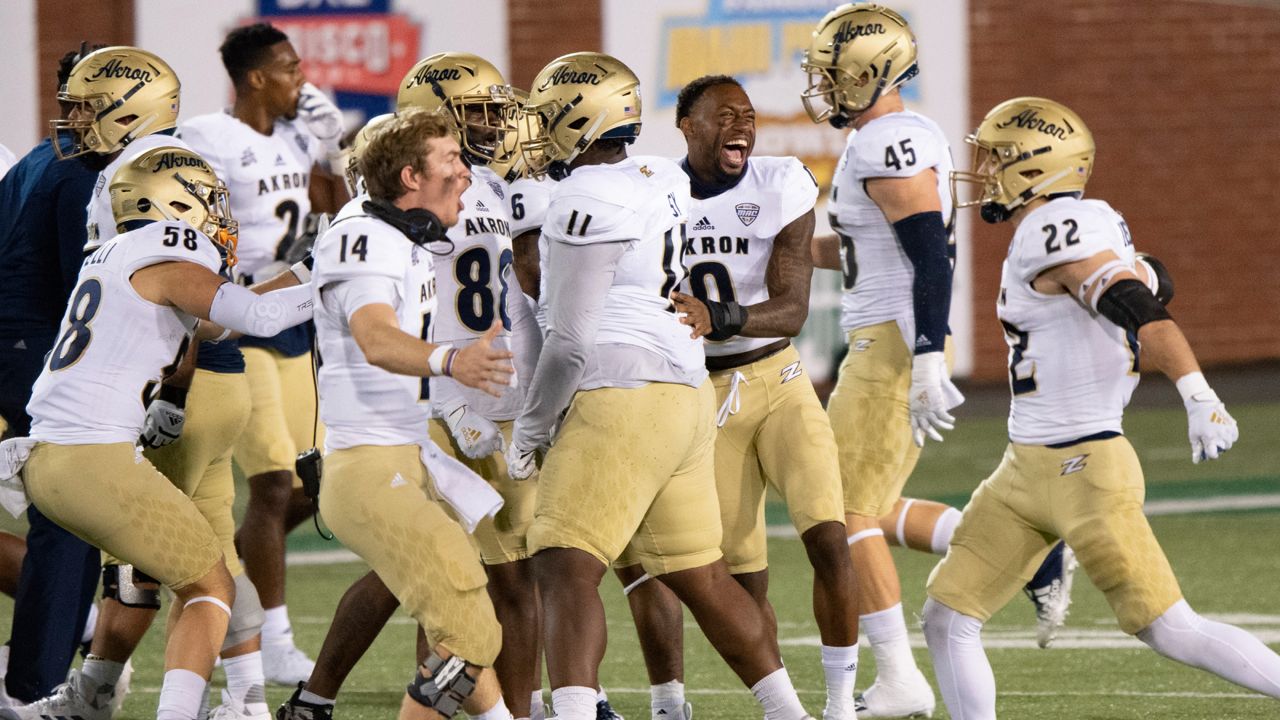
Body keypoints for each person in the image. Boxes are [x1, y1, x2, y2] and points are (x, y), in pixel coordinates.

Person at [922, 94, 1280, 718]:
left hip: (1086, 468)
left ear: (1037, 168)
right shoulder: (1079, 225)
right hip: (1022, 470)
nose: (983, 171)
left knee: (1171, 629)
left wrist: (1197, 390)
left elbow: (1139, 309)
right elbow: (1143, 282)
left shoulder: (1051, 228)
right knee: (946, 617)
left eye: (998, 158)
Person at [505, 51, 812, 720]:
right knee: (699, 574)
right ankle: (790, 712)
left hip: (623, 393)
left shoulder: (585, 199)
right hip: (684, 392)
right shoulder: (656, 175)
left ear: (580, 120)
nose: (536, 128)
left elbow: (570, 340)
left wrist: (531, 428)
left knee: (562, 563)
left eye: (548, 116)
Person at [800, 6, 1076, 715]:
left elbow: (928, 251)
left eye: (835, 75)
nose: (825, 88)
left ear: (871, 74)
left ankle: (899, 677)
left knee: (843, 512)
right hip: (886, 337)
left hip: (890, 344)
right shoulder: (887, 138)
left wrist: (926, 353)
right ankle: (1028, 550)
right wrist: (785, 251)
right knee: (872, 505)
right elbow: (871, 251)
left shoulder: (887, 140)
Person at [4, 145, 315, 720]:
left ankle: (93, 699)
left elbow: (219, 322)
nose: (218, 215)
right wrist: (334, 278)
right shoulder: (170, 248)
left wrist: (302, 272)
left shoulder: (119, 254)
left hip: (56, 459)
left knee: (175, 575)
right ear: (172, 203)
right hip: (94, 459)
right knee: (208, 589)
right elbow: (262, 320)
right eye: (208, 201)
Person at [660, 74, 860, 720]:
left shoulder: (781, 184)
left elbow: (793, 308)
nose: (741, 125)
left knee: (829, 538)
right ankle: (784, 707)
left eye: (747, 115)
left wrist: (721, 317)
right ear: (686, 127)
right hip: (704, 395)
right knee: (741, 581)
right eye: (723, 116)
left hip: (777, 381)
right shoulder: (654, 194)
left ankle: (839, 705)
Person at [309, 108, 517, 720]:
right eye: (451, 161)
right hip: (370, 468)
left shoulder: (394, 232)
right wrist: (453, 361)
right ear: (409, 177)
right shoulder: (368, 236)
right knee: (474, 633)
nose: (465, 173)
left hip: (399, 457)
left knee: (462, 628)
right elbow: (375, 338)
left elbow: (302, 292)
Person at [180, 21, 347, 684]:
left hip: (295, 319)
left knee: (319, 479)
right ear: (255, 77)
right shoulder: (205, 139)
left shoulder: (299, 133)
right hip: (238, 320)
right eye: (288, 66)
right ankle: (272, 636)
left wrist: (333, 153)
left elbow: (333, 212)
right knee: (274, 482)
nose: (300, 76)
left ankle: (246, 579)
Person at [0, 46, 132, 706]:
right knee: (69, 518)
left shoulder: (34, 159)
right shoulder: (81, 171)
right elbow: (78, 286)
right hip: (37, 354)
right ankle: (36, 686)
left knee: (66, 517)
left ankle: (35, 672)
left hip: (18, 348)